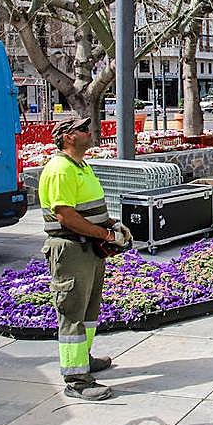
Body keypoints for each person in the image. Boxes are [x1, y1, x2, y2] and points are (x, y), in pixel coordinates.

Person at [37, 117, 132, 401]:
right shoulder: (59, 169)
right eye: (82, 129)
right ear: (68, 137)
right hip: (71, 249)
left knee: (89, 310)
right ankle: (76, 380)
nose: (89, 133)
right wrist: (105, 234)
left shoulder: (81, 167)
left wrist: (112, 224)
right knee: (72, 313)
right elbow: (66, 216)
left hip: (88, 248)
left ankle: (84, 360)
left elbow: (88, 208)